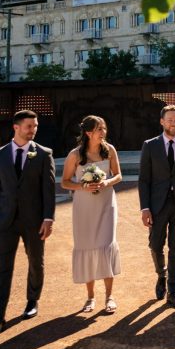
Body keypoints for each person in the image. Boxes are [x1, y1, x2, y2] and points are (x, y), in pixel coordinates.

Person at [0, 109, 56, 337]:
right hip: (4, 221)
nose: (33, 130)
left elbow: (49, 190)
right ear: (16, 127)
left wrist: (48, 218)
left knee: (36, 262)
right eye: (28, 127)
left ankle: (32, 301)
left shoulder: (44, 154)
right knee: (3, 269)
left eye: (35, 126)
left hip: (34, 221)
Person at [60, 115, 122, 314]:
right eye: (99, 129)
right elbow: (65, 182)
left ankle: (109, 296)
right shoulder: (75, 155)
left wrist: (107, 182)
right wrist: (83, 186)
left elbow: (118, 175)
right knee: (87, 247)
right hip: (84, 207)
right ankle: (90, 297)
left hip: (106, 205)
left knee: (106, 245)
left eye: (104, 128)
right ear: (88, 133)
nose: (103, 132)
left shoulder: (110, 150)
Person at [139, 105, 175, 308]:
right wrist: (144, 208)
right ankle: (161, 275)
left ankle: (173, 290)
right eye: (170, 120)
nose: (174, 123)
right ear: (162, 122)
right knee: (156, 244)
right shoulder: (150, 145)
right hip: (156, 204)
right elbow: (144, 179)